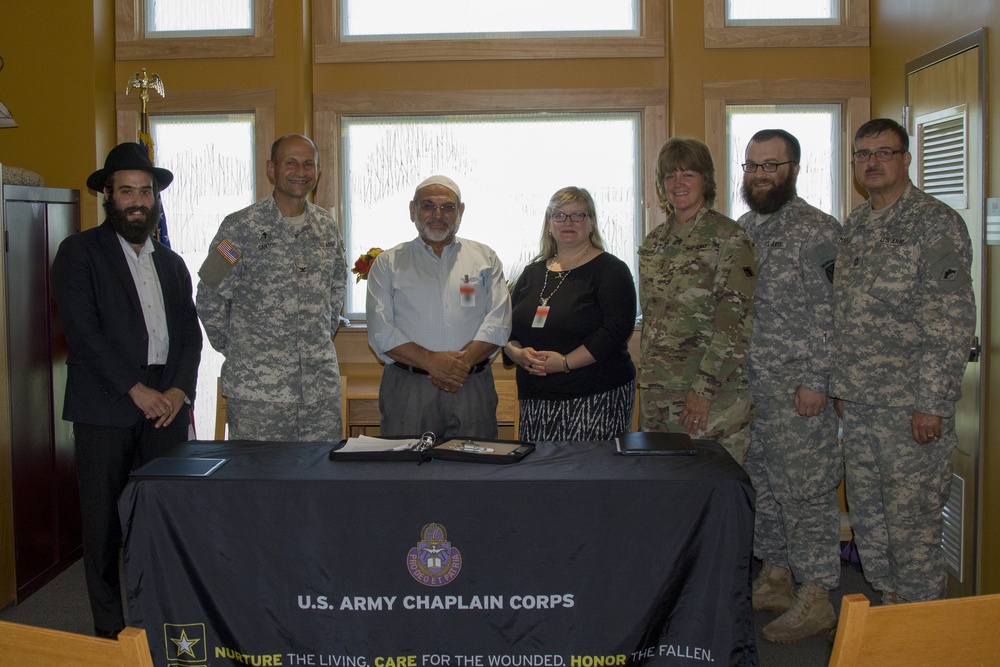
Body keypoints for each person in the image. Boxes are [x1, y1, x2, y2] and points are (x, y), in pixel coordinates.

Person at [51, 142, 202, 637]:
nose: (137, 201)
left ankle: (160, 619)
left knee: (163, 519)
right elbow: (83, 334)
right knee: (104, 526)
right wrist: (134, 389)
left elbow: (187, 336)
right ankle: (111, 632)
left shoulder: (173, 263)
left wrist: (178, 391)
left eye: (145, 192)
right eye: (126, 192)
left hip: (166, 408)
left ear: (156, 200)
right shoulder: (80, 253)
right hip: (107, 404)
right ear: (108, 198)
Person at [831, 118, 975, 604]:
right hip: (862, 404)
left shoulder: (934, 223)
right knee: (871, 527)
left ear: (906, 159)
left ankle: (922, 641)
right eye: (862, 154)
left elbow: (951, 322)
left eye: (884, 152)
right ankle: (889, 631)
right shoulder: (856, 224)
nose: (872, 162)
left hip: (910, 411)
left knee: (913, 534)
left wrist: (931, 403)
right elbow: (848, 314)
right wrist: (841, 389)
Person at [736, 129, 842, 642]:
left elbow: (831, 312)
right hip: (751, 392)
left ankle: (817, 594)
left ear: (794, 170)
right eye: (752, 165)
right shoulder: (744, 229)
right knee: (764, 487)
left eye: (771, 165)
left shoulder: (817, 231)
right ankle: (776, 575)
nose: (760, 174)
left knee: (806, 493)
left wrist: (817, 379)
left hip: (798, 389)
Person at [197, 134, 347, 441]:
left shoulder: (326, 226)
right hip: (257, 394)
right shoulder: (239, 227)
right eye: (290, 163)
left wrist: (312, 343)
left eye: (309, 164)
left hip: (318, 392)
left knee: (319, 481)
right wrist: (243, 352)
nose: (300, 172)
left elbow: (336, 292)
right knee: (257, 483)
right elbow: (209, 295)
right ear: (271, 169)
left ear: (318, 172)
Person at [637, 137, 757, 464]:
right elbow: (654, 321)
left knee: (710, 494)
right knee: (664, 495)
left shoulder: (728, 238)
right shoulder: (654, 242)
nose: (678, 183)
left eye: (688, 174)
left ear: (706, 179)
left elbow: (734, 327)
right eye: (670, 176)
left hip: (709, 400)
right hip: (658, 398)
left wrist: (702, 391)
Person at [366, 175, 511, 439]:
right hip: (409, 390)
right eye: (428, 206)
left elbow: (498, 321)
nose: (437, 214)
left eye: (447, 207)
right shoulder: (388, 263)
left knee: (475, 473)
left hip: (471, 386)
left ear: (460, 212)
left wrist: (460, 364)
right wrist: (431, 361)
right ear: (413, 210)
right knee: (408, 474)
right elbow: (381, 330)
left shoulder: (485, 258)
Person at [504, 187, 636, 441]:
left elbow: (615, 331)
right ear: (549, 224)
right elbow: (505, 326)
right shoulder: (532, 273)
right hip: (536, 397)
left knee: (589, 474)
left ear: (591, 223)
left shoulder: (611, 270)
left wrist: (564, 363)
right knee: (541, 473)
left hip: (595, 395)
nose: (568, 222)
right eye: (559, 215)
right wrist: (516, 353)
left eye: (578, 215)